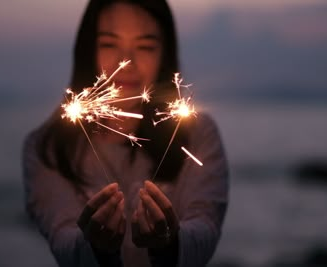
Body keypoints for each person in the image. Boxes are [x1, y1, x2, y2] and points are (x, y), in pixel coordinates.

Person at [22, 0, 229, 266]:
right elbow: (63, 237)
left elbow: (206, 224)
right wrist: (96, 249)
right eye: (109, 44)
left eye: (145, 46)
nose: (127, 63)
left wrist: (170, 245)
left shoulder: (197, 133)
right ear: (88, 49)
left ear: (164, 53)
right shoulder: (46, 147)